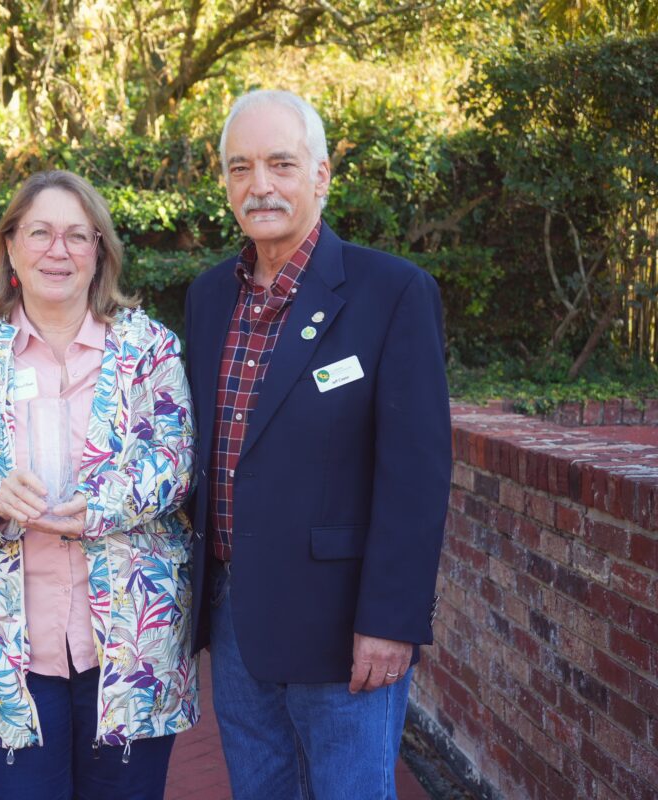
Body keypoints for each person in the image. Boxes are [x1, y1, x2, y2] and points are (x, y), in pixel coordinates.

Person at [183, 90, 452, 799]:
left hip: (343, 629)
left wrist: (392, 621)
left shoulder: (392, 292)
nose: (259, 185)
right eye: (240, 168)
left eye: (281, 164)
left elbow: (416, 476)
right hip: (235, 619)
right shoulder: (209, 297)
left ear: (323, 174)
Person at [0, 170, 198, 799]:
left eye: (79, 235)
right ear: (11, 247)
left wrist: (100, 506)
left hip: (131, 642)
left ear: (99, 252)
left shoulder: (148, 347)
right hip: (12, 643)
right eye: (41, 233)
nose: (59, 250)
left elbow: (174, 458)